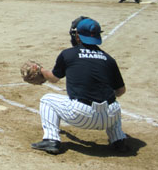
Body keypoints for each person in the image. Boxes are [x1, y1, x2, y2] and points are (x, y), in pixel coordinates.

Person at [32, 17, 128, 154]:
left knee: (47, 100)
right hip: (108, 118)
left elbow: (53, 78)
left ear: (77, 36)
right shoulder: (109, 59)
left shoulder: (68, 54)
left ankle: (51, 140)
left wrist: (40, 70)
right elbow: (121, 91)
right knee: (113, 104)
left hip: (81, 115)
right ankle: (118, 140)